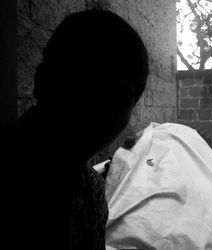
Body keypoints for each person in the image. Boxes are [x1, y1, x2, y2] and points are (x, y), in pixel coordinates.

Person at [1, 9, 149, 250]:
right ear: (43, 81)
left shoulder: (92, 192)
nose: (96, 108)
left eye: (118, 96)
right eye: (84, 82)